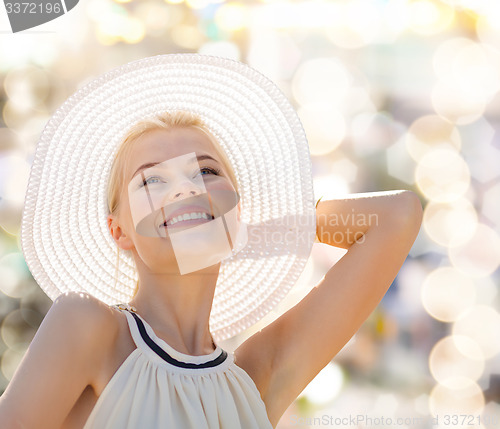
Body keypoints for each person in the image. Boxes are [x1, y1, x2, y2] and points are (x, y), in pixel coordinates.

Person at [0, 54, 422, 429]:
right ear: (119, 231)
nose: (186, 189)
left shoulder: (258, 377)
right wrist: (199, 224)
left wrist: (232, 229)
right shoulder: (88, 327)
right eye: (153, 180)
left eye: (206, 173)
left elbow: (397, 216)